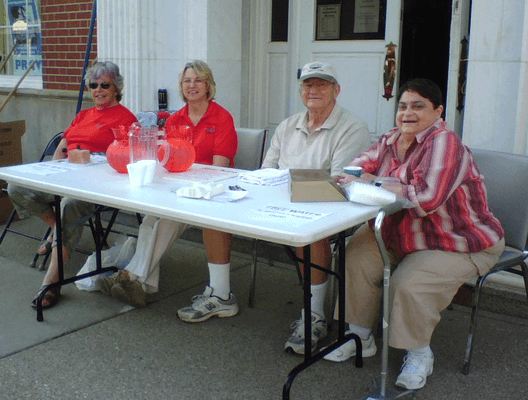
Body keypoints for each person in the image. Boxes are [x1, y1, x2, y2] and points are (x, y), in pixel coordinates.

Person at [323, 78, 505, 390]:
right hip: (404, 233)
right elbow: (351, 172)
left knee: (408, 282)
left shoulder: (446, 144)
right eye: (403, 106)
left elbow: (427, 197)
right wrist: (370, 178)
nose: (408, 113)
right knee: (356, 253)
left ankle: (419, 352)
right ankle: (360, 335)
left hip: (458, 240)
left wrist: (376, 181)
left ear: (438, 111)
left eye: (418, 106)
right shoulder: (390, 139)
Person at [98, 60, 239, 313]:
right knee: (151, 218)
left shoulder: (222, 117)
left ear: (209, 86)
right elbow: (169, 160)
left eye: (198, 80)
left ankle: (133, 277)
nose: (192, 85)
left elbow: (221, 169)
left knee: (168, 219)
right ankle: (142, 284)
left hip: (211, 191)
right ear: (181, 87)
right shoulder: (175, 119)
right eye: (187, 81)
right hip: (179, 187)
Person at [261, 61, 371, 355]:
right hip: (280, 204)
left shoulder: (352, 127)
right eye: (308, 84)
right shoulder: (287, 126)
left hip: (330, 210)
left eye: (322, 84)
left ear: (337, 90)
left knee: (311, 233)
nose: (314, 90)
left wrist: (291, 187)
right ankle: (219, 293)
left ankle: (315, 316)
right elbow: (267, 170)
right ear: (300, 91)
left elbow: (337, 183)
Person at [8, 61, 138, 309]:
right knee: (17, 188)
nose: (98, 89)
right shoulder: (84, 115)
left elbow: (128, 157)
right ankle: (59, 231)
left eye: (105, 84)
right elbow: (62, 146)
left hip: (97, 184)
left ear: (116, 88)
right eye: (93, 84)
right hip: (65, 175)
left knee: (68, 204)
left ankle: (52, 281)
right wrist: (50, 171)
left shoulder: (126, 118)